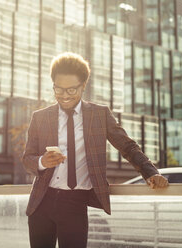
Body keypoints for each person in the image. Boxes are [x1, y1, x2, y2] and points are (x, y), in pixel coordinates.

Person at [22, 52, 169, 248]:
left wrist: (150, 173)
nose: (64, 95)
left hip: (75, 204)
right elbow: (27, 159)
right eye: (59, 89)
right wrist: (42, 161)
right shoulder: (40, 117)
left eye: (72, 90)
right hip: (42, 203)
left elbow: (127, 146)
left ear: (83, 86)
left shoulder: (99, 115)